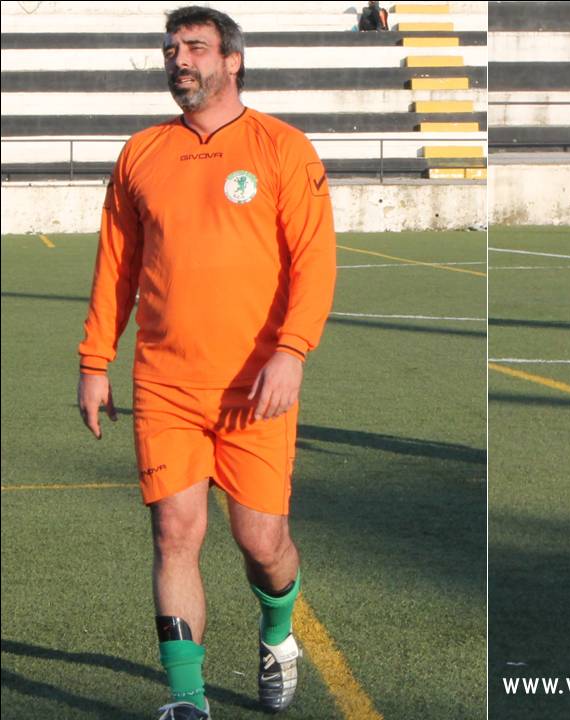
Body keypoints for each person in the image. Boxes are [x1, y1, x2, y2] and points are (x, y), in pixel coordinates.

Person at [76, 6, 336, 718]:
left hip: (256, 387)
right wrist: (95, 360)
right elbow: (115, 266)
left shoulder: (283, 148)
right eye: (171, 49)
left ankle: (277, 632)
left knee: (262, 542)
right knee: (174, 534)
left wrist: (292, 351)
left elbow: (315, 262)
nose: (179, 59)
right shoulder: (141, 153)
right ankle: (187, 701)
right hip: (164, 384)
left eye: (195, 47)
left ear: (232, 60)